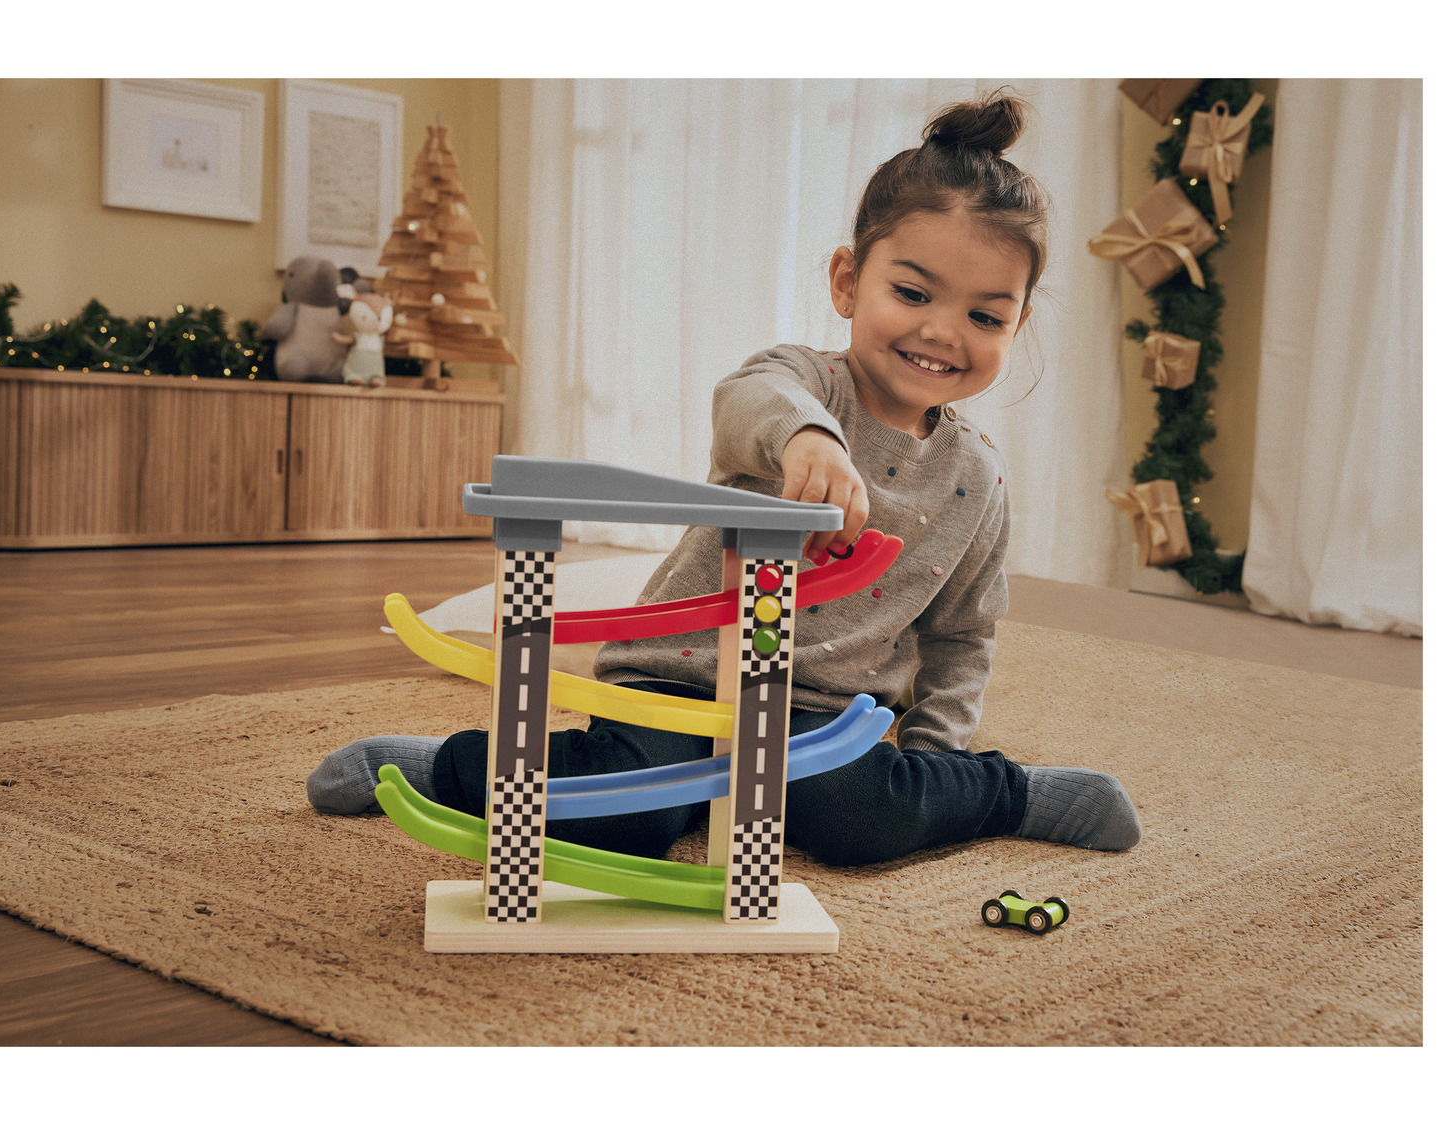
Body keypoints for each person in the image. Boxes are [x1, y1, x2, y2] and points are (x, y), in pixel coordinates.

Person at [308, 90, 1142, 865]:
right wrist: (806, 440)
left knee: (863, 820)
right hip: (681, 676)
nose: (944, 331)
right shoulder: (803, 383)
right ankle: (448, 768)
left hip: (820, 714)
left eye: (986, 315)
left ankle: (1010, 793)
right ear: (848, 281)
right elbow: (749, 398)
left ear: (1016, 325)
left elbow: (962, 635)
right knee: (628, 815)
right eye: (913, 292)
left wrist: (935, 769)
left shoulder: (978, 478)